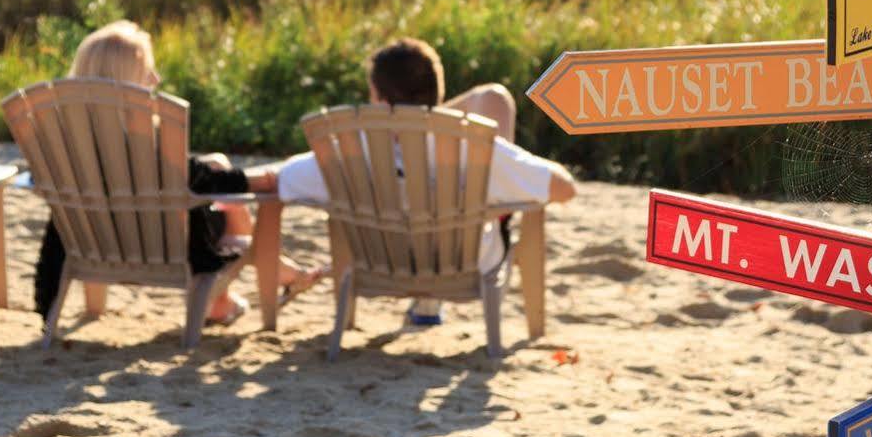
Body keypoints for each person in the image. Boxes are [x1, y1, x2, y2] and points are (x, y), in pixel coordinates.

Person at [30, 21, 324, 327]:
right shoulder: (141, 135)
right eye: (148, 74)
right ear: (125, 80)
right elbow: (195, 180)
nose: (156, 79)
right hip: (159, 248)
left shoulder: (59, 140)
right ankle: (262, 282)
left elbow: (189, 174)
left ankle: (240, 295)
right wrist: (259, 182)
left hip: (94, 244)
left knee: (215, 165)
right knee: (224, 203)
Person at [268, 37, 576, 328]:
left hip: (379, 261)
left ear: (380, 100)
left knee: (491, 99)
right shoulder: (475, 151)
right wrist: (514, 156)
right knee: (494, 112)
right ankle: (437, 297)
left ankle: (412, 308)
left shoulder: (349, 152)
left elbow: (272, 181)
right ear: (437, 94)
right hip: (464, 262)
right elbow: (564, 189)